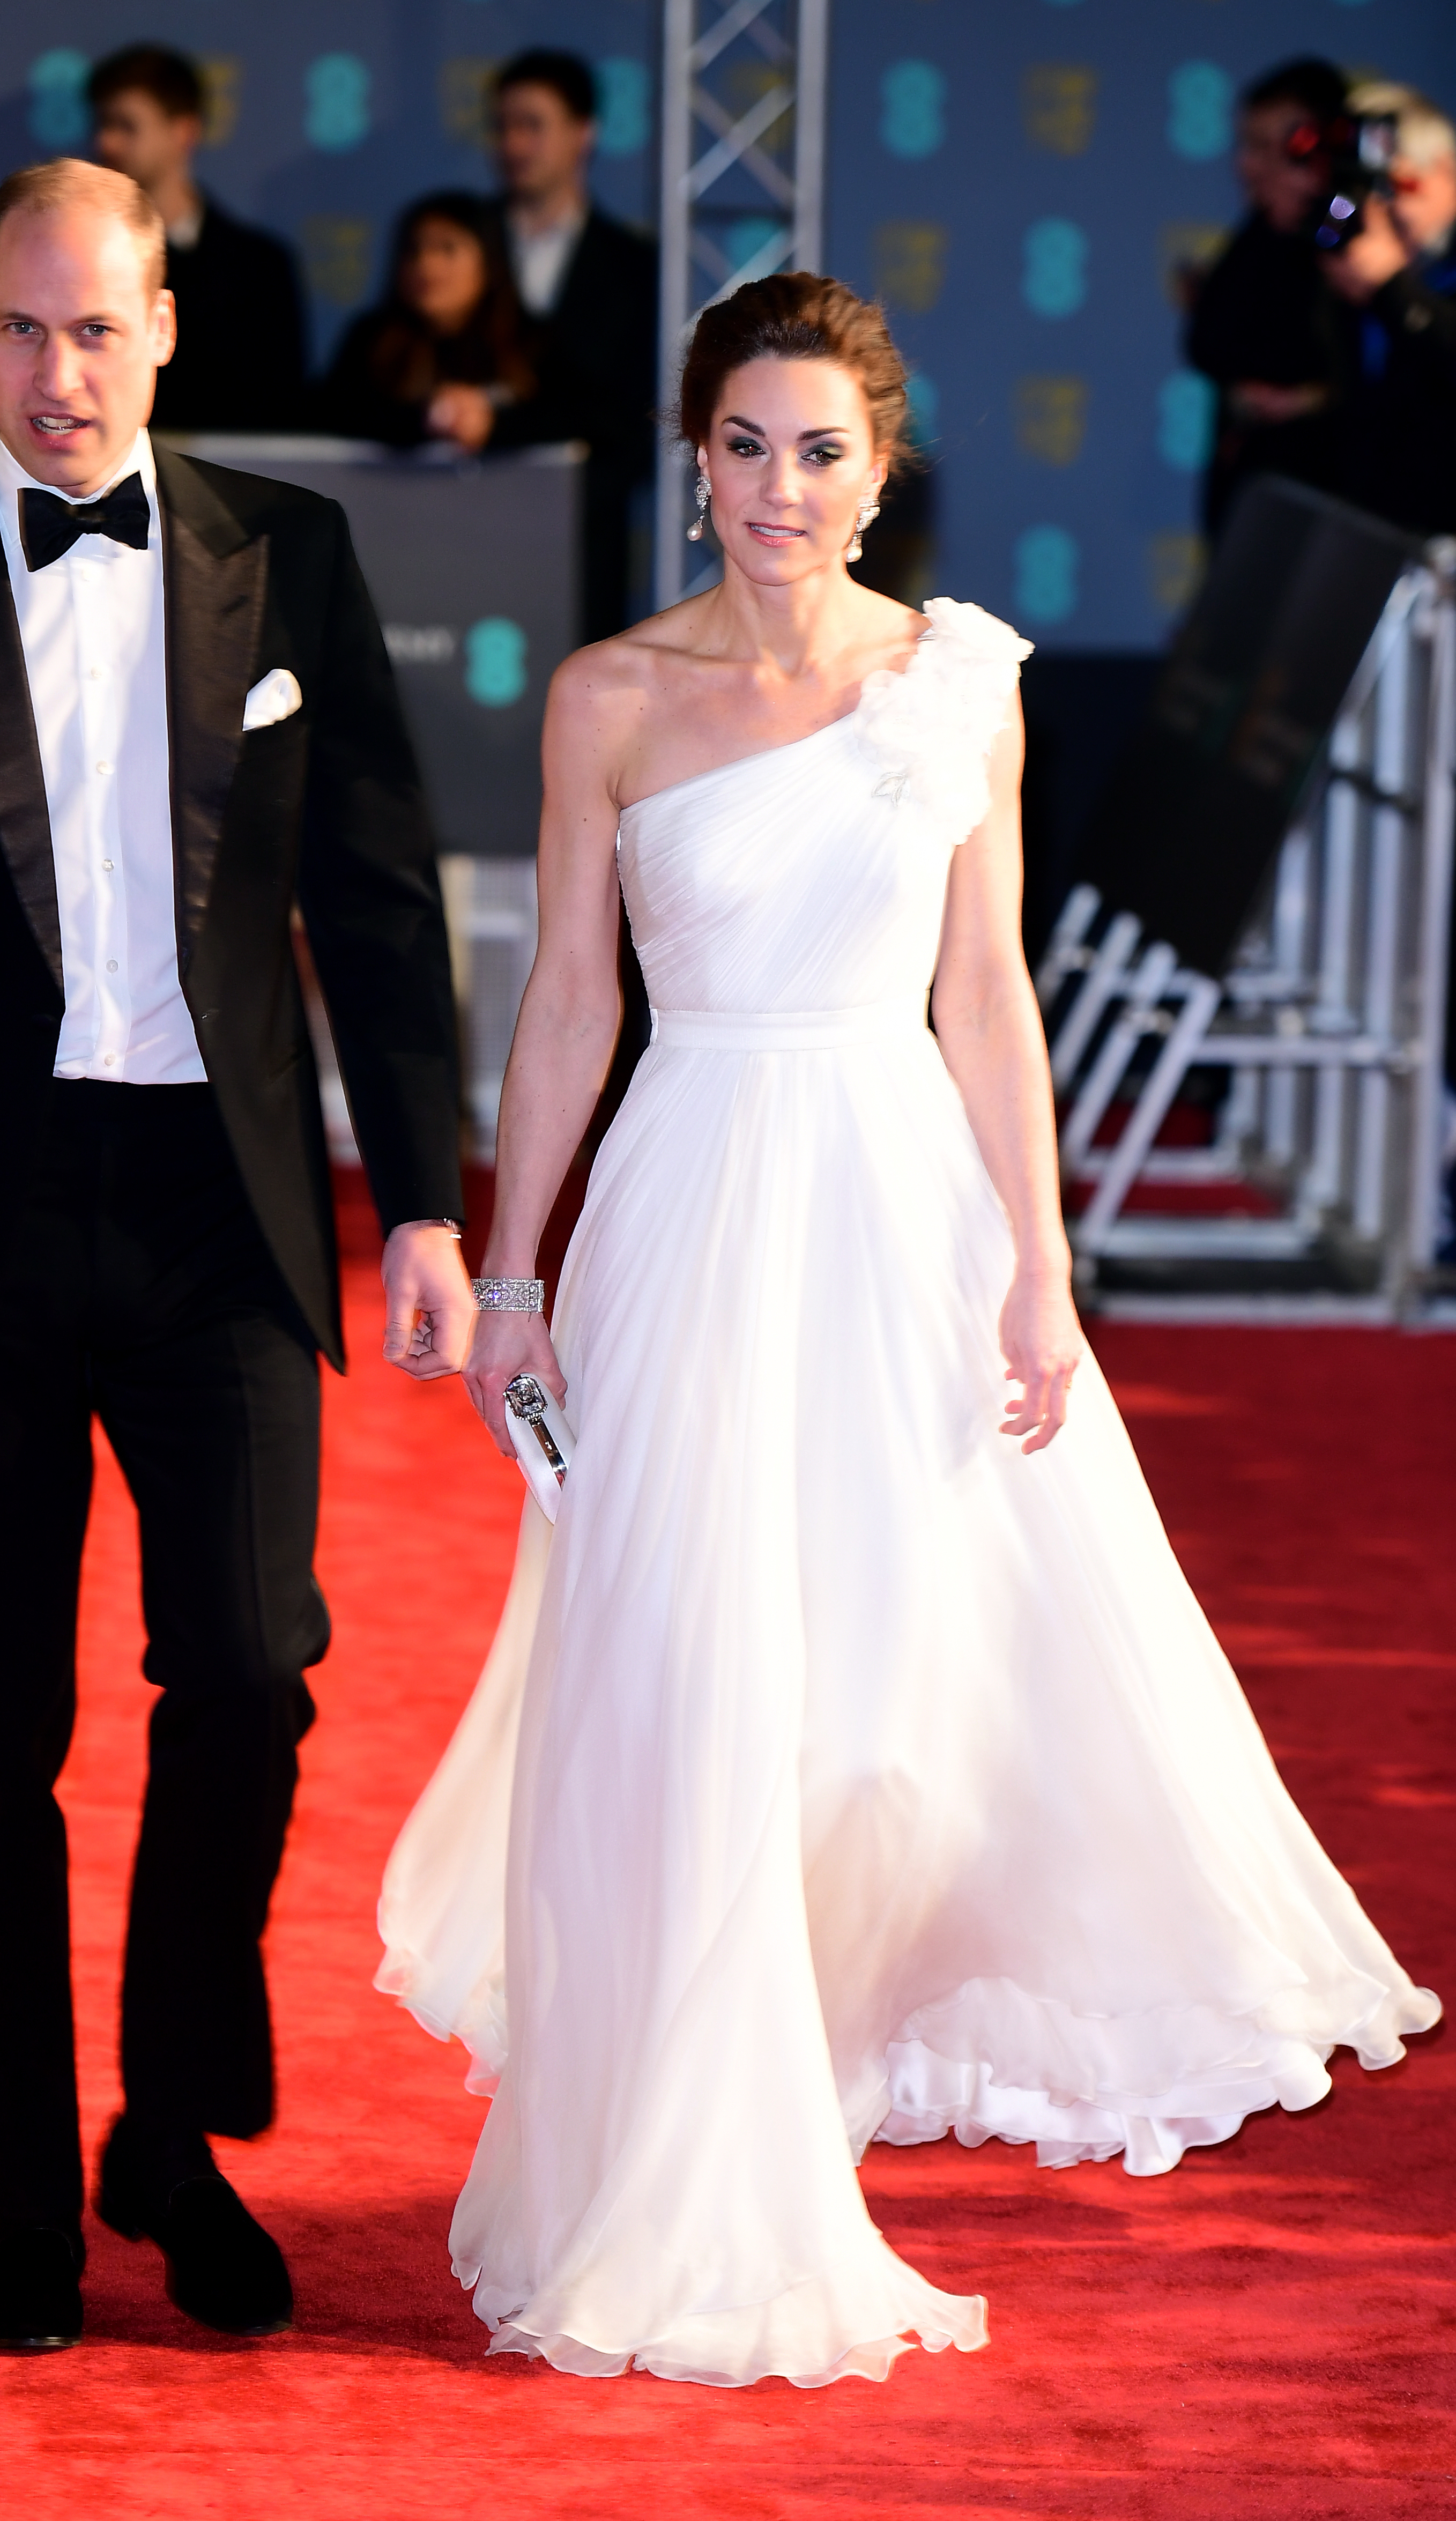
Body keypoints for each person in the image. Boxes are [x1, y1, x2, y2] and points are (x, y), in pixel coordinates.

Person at [376, 272, 1439, 2390]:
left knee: (880, 1725)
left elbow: (983, 993)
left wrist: (1038, 1262)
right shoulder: (605, 695)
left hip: (893, 1217)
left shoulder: (953, 686)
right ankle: (690, 2172)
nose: (779, 490)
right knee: (685, 1696)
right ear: (693, 460)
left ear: (881, 468)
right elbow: (572, 1002)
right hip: (681, 1209)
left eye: (819, 449)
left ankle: (805, 2062)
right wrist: (509, 1269)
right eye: (743, 447)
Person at [0, 158, 472, 2356]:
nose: (62, 375)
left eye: (101, 328)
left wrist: (418, 1192)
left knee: (246, 1665)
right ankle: (30, 2192)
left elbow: (375, 898)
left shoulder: (291, 555)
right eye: (24, 329)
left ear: (168, 325)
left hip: (216, 1210)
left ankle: (171, 2124)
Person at [492, 50, 657, 640]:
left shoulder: (634, 266)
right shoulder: (453, 247)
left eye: (532, 124)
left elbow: (636, 419)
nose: (513, 144)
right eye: (503, 125)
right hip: (457, 531)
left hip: (581, 550)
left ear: (582, 134)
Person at [90, 43, 307, 432]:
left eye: (126, 125)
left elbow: (278, 418)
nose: (106, 143)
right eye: (102, 125)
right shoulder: (79, 258)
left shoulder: (260, 269)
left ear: (183, 132)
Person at [1186, 57, 1354, 540]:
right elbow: (1207, 340)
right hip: (1246, 503)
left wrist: (1309, 400)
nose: (1247, 165)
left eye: (1266, 147)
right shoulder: (1260, 233)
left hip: (1329, 518)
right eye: (1246, 145)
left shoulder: (1345, 232)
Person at [316, 191, 580, 455]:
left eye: (447, 249)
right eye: (414, 250)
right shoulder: (372, 340)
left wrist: (493, 425)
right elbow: (327, 420)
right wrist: (427, 419)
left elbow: (584, 425)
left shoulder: (533, 342)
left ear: (489, 261)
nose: (426, 265)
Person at [1321, 84, 1456, 537]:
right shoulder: (1353, 243)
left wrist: (1392, 286)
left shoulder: (1410, 278)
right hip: (1365, 517)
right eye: (1372, 187)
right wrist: (1341, 202)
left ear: (1447, 172)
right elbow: (1324, 229)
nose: (1388, 206)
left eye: (1399, 185)